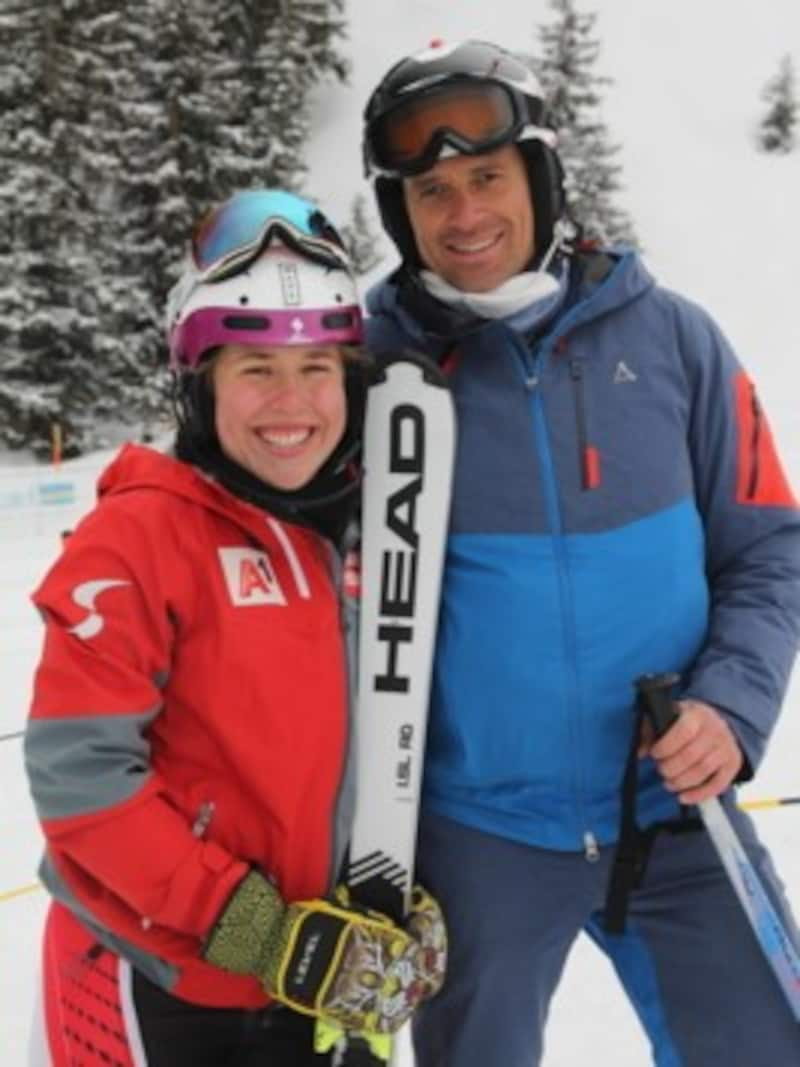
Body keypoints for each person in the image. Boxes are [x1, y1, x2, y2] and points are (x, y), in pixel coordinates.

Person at [361, 38, 800, 1067]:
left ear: (540, 178)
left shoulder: (673, 342)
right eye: (430, 190)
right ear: (401, 213)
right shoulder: (370, 375)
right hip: (478, 835)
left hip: (673, 810)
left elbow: (768, 548)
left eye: (485, 177)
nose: (463, 214)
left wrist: (731, 704)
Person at [23, 189, 445, 1067]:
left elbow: (390, 738)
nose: (289, 403)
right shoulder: (139, 533)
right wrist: (255, 930)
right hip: (161, 982)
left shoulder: (374, 531)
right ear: (198, 381)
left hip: (328, 987)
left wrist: (405, 881)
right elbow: (80, 781)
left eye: (316, 368)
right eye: (254, 368)